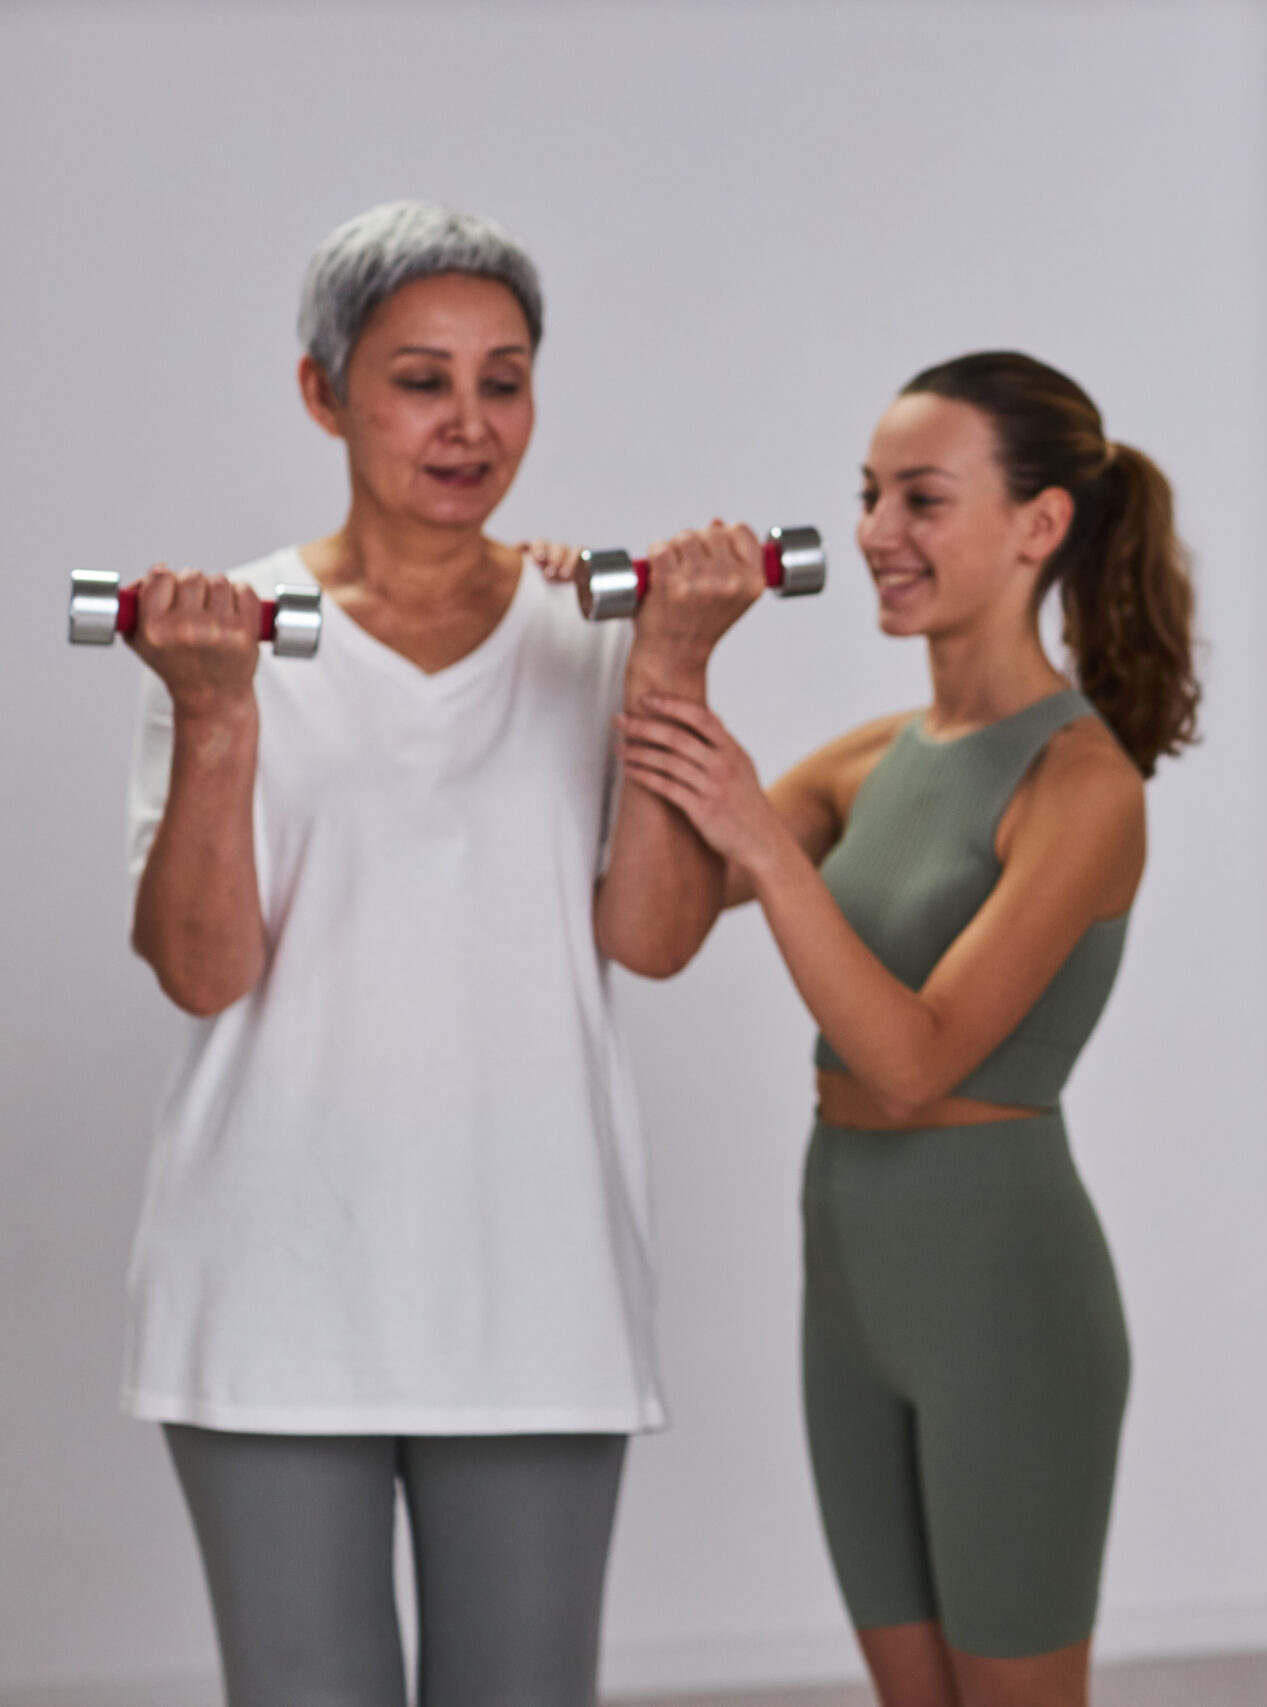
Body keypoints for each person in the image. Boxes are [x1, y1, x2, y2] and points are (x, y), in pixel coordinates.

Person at [120, 200, 770, 1705]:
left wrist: (668, 660)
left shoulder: (593, 626)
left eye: (506, 377)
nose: (470, 423)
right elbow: (205, 971)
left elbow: (655, 941)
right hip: (268, 1290)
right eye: (422, 378)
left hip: (534, 1284)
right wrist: (218, 714)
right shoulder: (221, 637)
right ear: (324, 392)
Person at [612, 350, 1198, 1707]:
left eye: (920, 499)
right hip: (852, 1270)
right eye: (870, 496)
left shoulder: (1082, 780)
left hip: (1006, 1295)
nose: (877, 533)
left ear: (1037, 525)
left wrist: (762, 841)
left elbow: (920, 1055)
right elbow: (647, 933)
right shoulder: (874, 759)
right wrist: (673, 658)